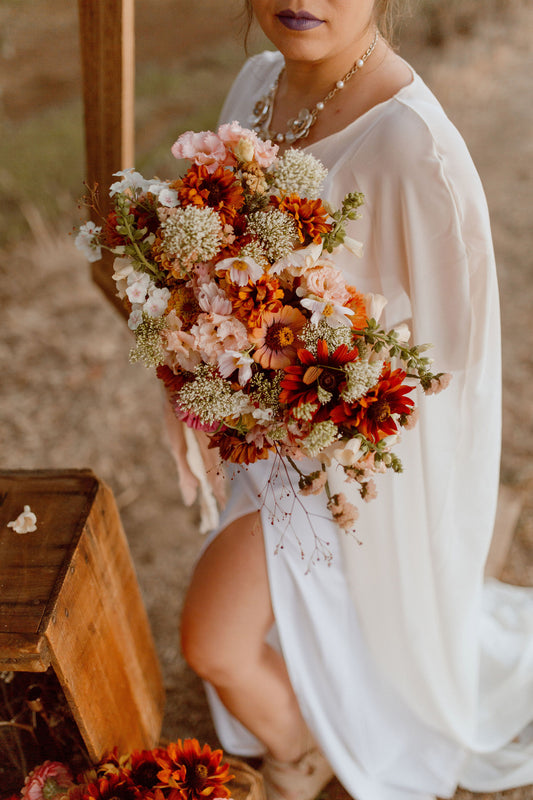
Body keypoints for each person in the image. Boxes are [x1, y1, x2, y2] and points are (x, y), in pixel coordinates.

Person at [179, 3, 533, 799]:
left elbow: (453, 359)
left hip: (346, 462)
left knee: (213, 640)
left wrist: (323, 369)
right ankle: (308, 720)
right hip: (258, 430)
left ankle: (298, 749)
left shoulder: (413, 147)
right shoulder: (256, 83)